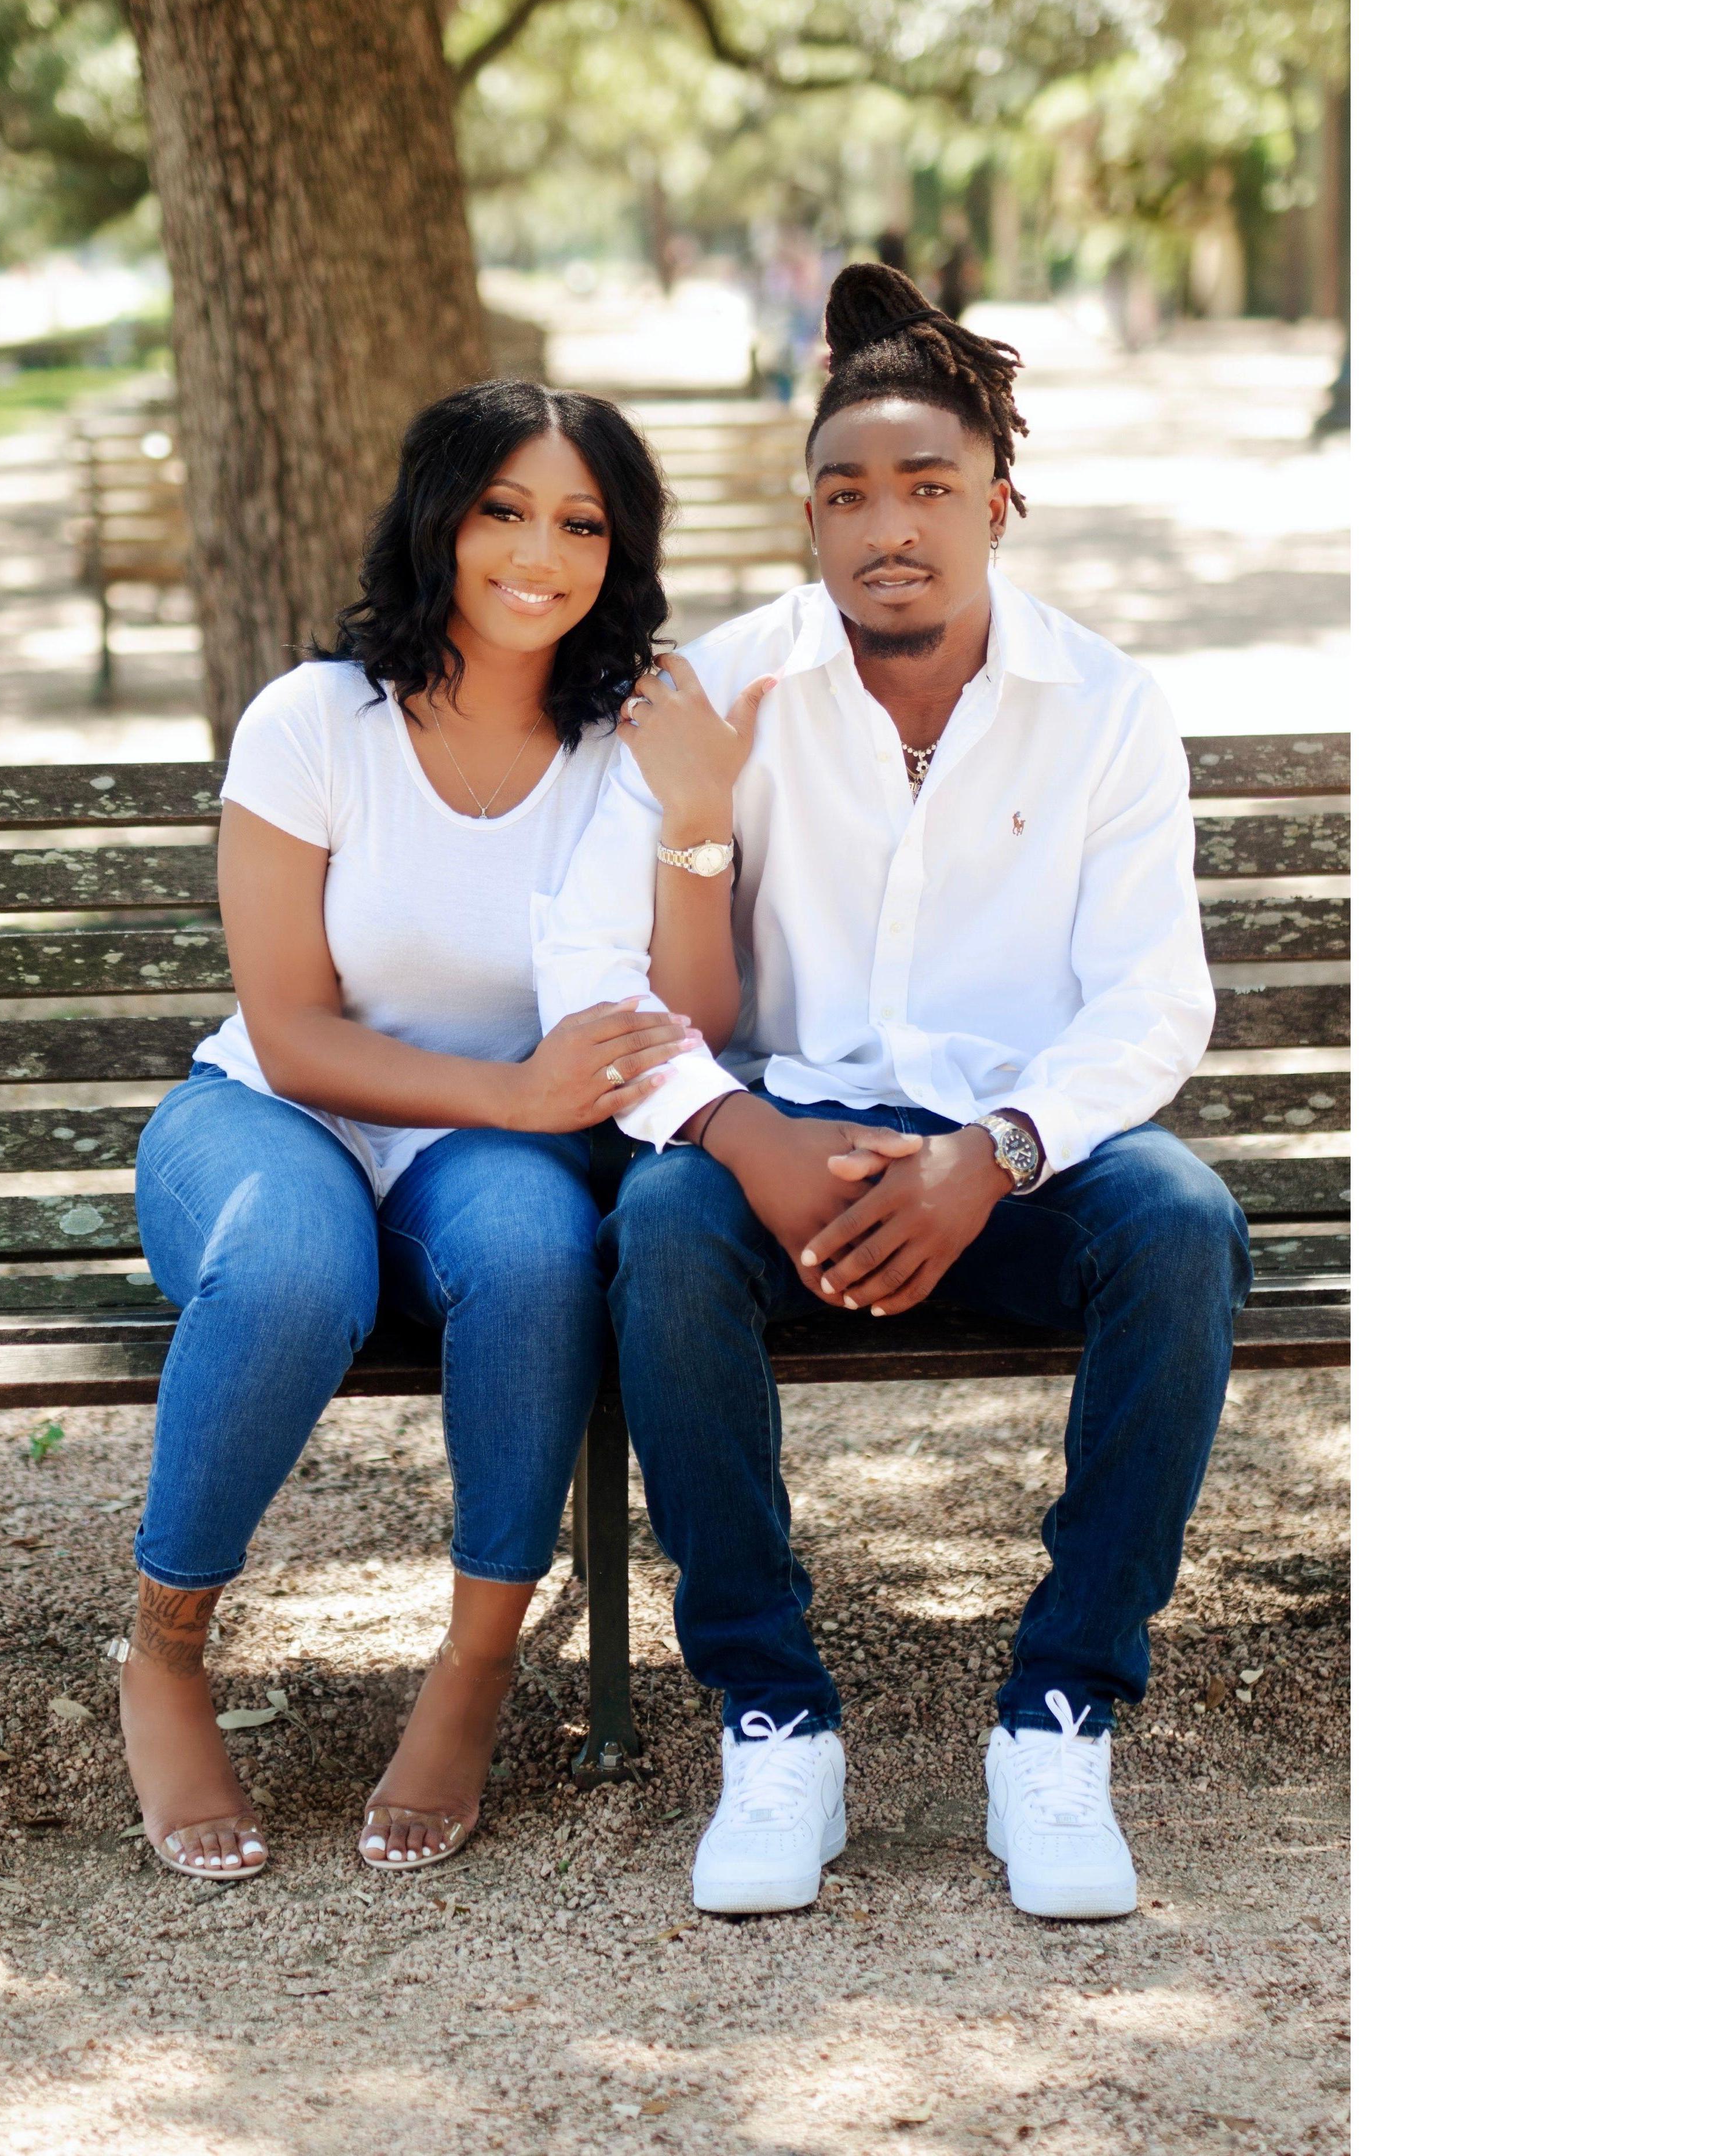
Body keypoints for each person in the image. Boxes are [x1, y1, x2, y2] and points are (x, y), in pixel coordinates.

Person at [535, 264, 1250, 1921]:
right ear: (809, 519)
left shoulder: (1106, 707)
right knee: (665, 1233)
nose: (888, 527)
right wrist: (740, 1132)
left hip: (1022, 1163)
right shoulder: (715, 694)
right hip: (785, 1144)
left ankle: (1060, 1717)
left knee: (1182, 1228)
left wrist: (995, 1154)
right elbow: (588, 967)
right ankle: (774, 1721)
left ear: (998, 503)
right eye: (847, 495)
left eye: (928, 486)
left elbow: (1155, 999)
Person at [118, 379, 715, 1883]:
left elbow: (680, 1006)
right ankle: (166, 1651)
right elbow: (292, 1027)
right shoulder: (316, 722)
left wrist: (703, 816)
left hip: (482, 1154)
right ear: (439, 519)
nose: (540, 554)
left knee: (532, 1257)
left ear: (621, 552)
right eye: (503, 510)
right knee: (291, 1270)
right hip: (272, 1112)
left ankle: (473, 1672)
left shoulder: (628, 745)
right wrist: (516, 1095)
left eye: (582, 523)